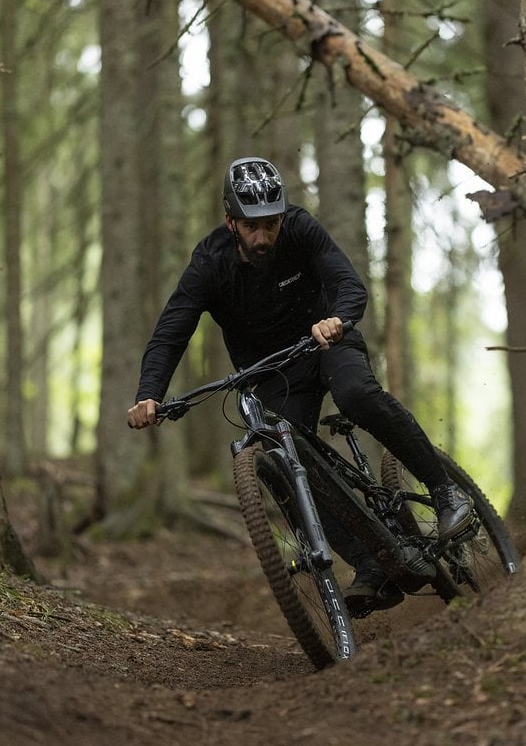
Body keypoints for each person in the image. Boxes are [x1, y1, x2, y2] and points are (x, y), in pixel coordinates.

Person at [127, 156, 472, 615]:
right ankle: (371, 565)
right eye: (252, 227)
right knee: (288, 466)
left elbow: (348, 283)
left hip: (328, 341)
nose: (263, 236)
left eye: (271, 225)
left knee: (355, 395)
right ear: (231, 221)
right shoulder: (209, 263)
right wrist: (148, 393)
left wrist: (337, 319)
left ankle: (445, 491)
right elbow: (172, 331)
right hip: (271, 371)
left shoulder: (302, 229)